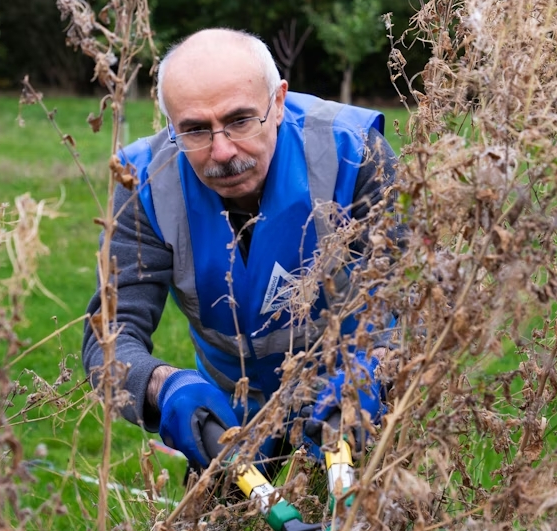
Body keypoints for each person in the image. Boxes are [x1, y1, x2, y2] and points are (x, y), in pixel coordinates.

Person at [80, 28, 397, 475]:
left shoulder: (352, 150)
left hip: (348, 391)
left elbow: (411, 301)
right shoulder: (145, 183)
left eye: (241, 121)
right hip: (226, 411)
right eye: (194, 130)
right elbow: (109, 337)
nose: (222, 152)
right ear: (169, 123)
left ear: (279, 100)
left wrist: (370, 377)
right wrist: (165, 389)